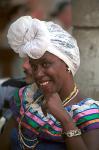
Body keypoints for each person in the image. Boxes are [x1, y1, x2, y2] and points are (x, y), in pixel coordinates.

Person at [7, 16, 99, 150]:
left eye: (45, 64)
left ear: (67, 62)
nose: (38, 74)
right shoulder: (26, 98)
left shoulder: (89, 114)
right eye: (34, 66)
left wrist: (65, 119)